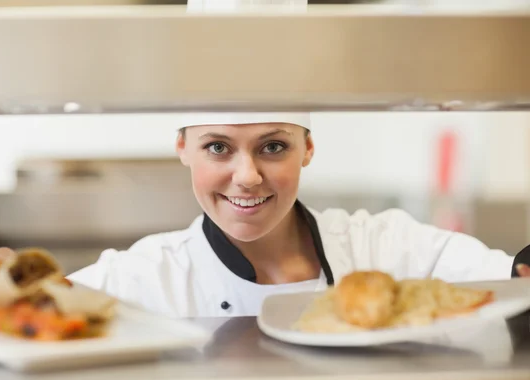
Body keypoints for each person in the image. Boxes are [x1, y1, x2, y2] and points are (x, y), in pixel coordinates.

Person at [67, 112, 530, 318]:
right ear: (182, 149)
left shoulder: (384, 246)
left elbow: (512, 279)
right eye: (217, 148)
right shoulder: (139, 277)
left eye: (273, 147)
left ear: (307, 149)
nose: (247, 176)